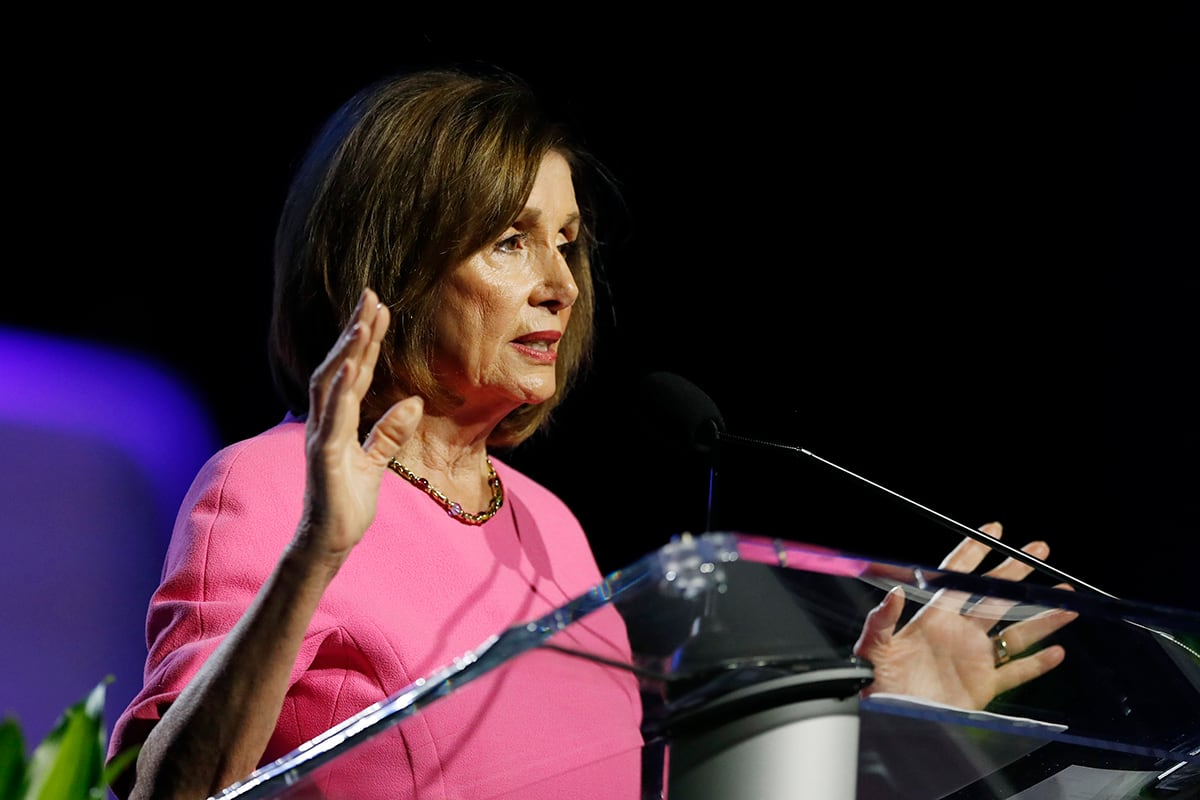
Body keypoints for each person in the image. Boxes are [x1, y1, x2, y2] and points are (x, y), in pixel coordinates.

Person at [105, 65, 1077, 800]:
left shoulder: (550, 525)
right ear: (389, 258)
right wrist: (316, 555)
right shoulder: (267, 489)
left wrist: (875, 722)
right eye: (510, 240)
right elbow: (165, 789)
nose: (561, 285)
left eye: (567, 245)